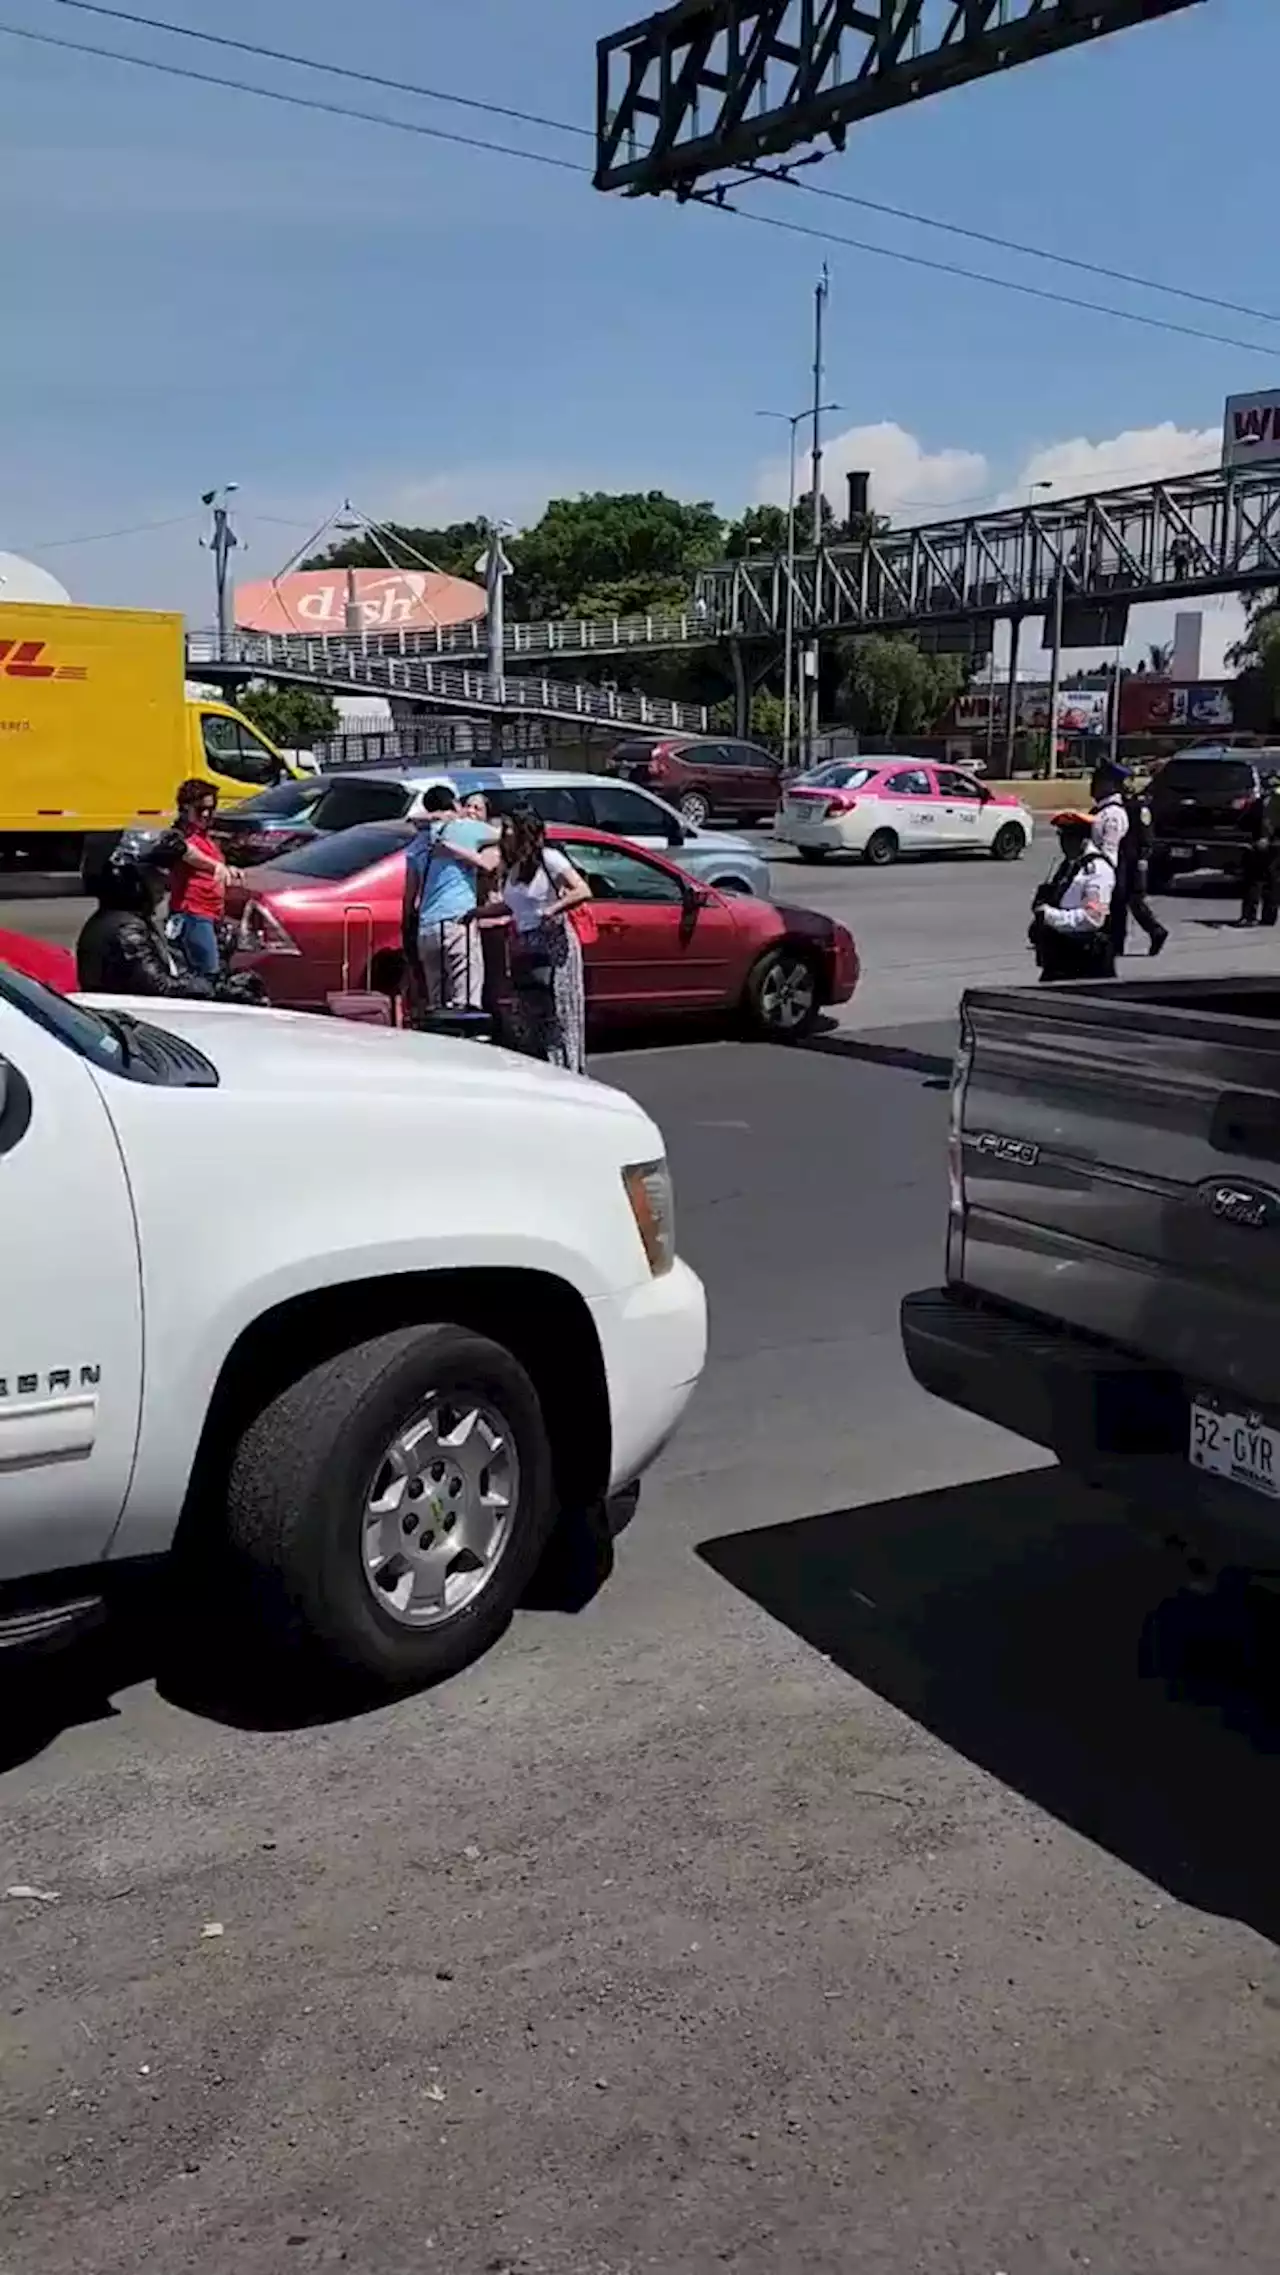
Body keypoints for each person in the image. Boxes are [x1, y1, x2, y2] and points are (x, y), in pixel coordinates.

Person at [77, 833, 265, 1003]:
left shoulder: (129, 921)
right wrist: (220, 989)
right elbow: (162, 988)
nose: (163, 884)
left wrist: (221, 964)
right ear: (131, 879)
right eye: (154, 876)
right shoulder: (125, 931)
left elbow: (174, 971)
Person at [493, 805, 593, 1072]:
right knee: (530, 1013)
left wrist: (552, 910)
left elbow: (582, 890)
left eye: (509, 827)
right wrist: (478, 913)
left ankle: (566, 1069)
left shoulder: (550, 859)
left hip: (553, 944)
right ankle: (541, 1069)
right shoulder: (513, 867)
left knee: (558, 1011)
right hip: (525, 945)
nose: (504, 833)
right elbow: (514, 906)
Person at [401, 783, 499, 1020]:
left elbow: (410, 893)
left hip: (427, 925)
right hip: (458, 920)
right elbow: (504, 834)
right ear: (455, 804)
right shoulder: (467, 829)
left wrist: (407, 925)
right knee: (465, 999)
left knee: (437, 1000)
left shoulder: (417, 843)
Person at [1029, 813, 1117, 983]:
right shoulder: (1068, 865)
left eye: (1069, 838)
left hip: (1084, 959)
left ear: (1083, 839)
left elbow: (1093, 919)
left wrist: (1049, 916)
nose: (1063, 844)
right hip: (1061, 955)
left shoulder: (1097, 870)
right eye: (1061, 837)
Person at [166, 779, 240, 977]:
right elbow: (187, 853)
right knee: (209, 973)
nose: (207, 814)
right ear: (185, 808)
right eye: (200, 809)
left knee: (212, 971)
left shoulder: (205, 837)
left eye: (211, 808)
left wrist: (228, 869)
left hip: (211, 914)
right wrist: (216, 866)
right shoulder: (179, 836)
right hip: (193, 914)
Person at [1110, 776, 1168, 958]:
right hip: (1122, 859)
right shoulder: (1119, 807)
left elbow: (1146, 836)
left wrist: (1143, 859)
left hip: (1135, 861)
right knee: (1119, 902)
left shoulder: (1139, 808)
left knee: (1135, 901)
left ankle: (1156, 931)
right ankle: (1117, 943)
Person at [1239, 770, 1280, 928]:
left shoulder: (1272, 802)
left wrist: (1271, 839)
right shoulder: (1257, 803)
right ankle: (1250, 916)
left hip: (1273, 847)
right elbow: (1245, 822)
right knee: (1255, 882)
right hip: (1257, 847)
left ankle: (1267, 916)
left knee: (1270, 882)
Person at [1089, 760, 1130, 870]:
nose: (1092, 785)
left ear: (1112, 785)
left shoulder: (1113, 814)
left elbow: (1109, 854)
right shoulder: (1100, 811)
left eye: (1099, 781)